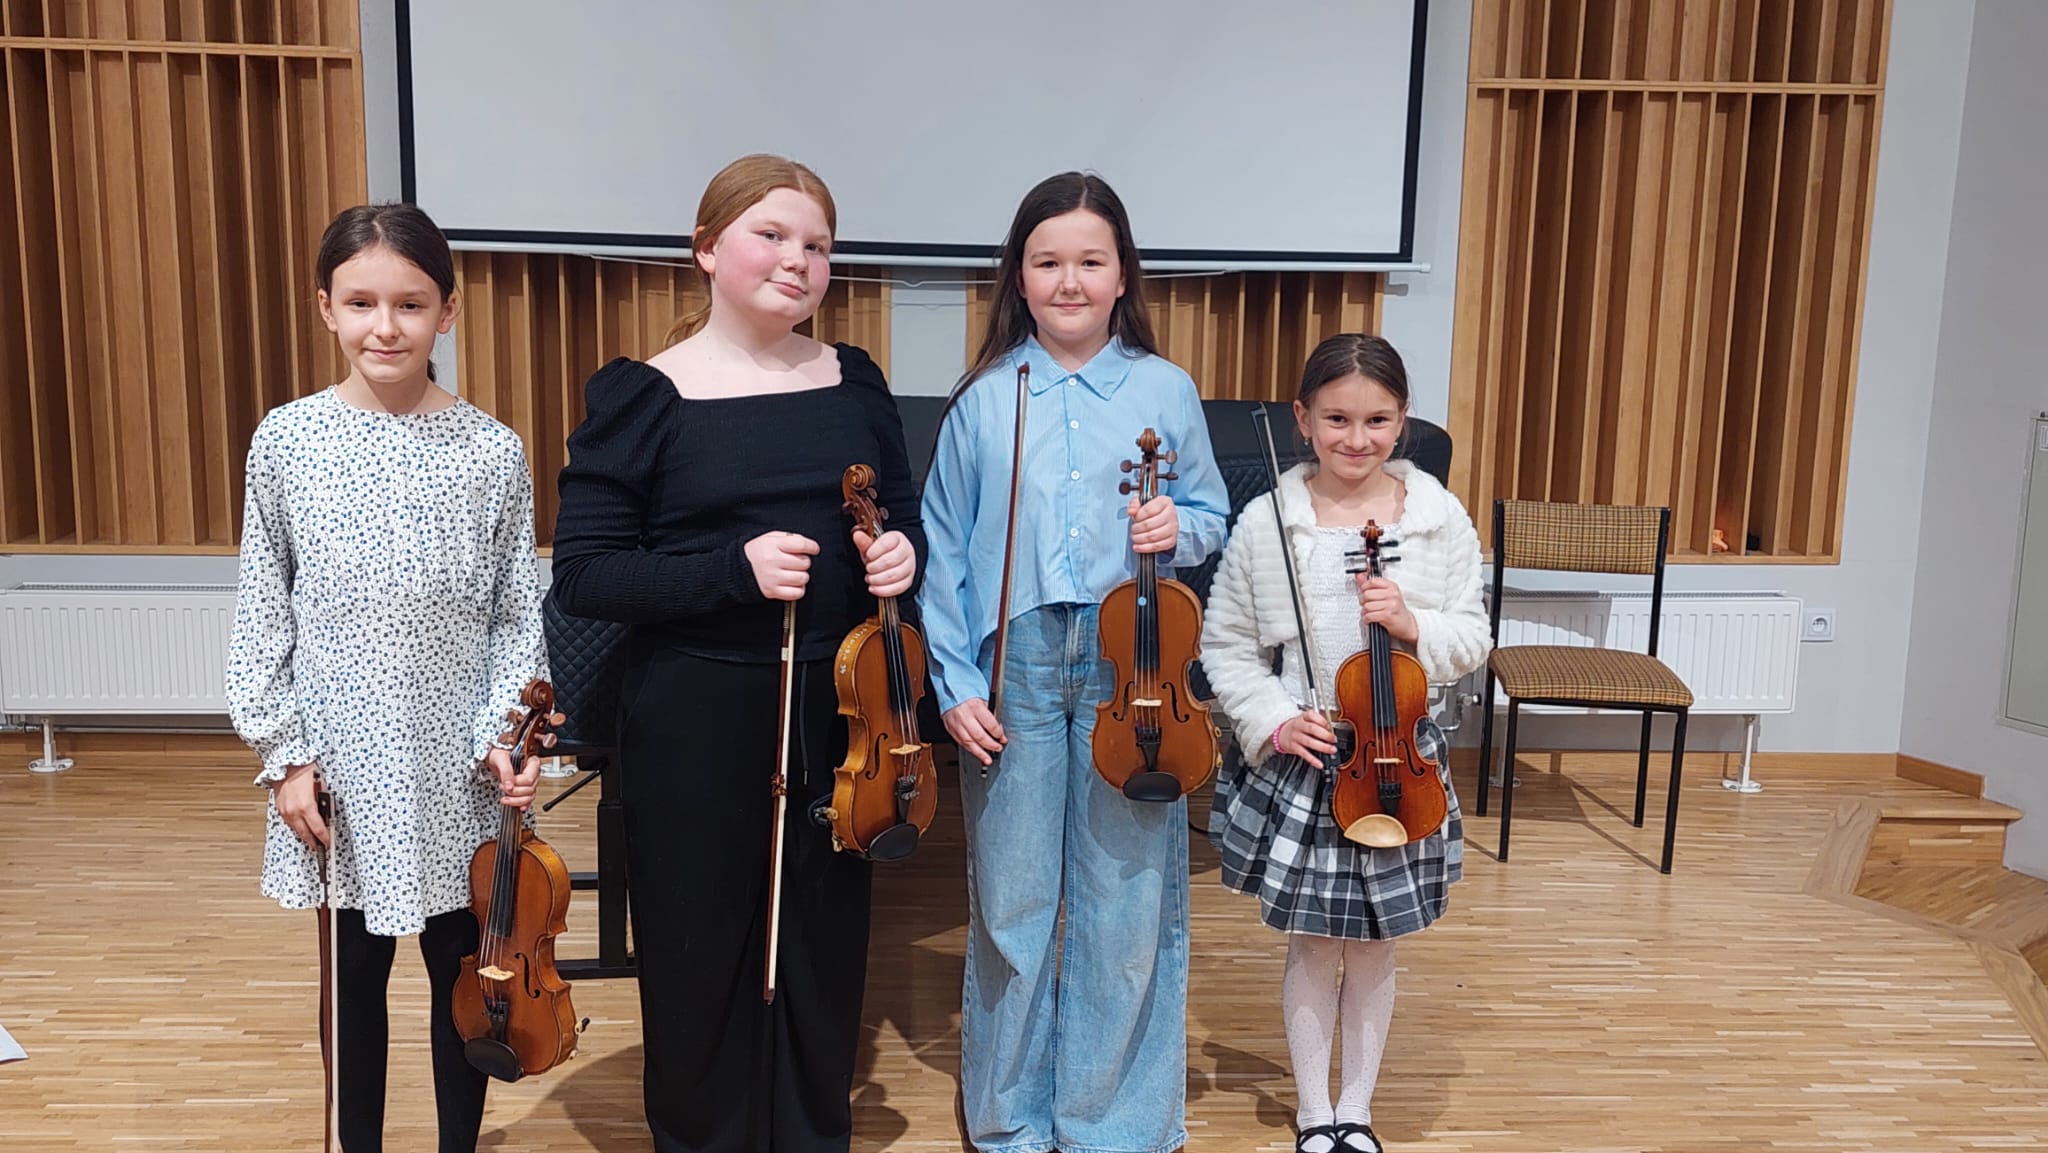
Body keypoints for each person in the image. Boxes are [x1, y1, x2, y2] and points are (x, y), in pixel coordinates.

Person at [549, 153, 922, 1153]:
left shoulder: (854, 380)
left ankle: (808, 1133)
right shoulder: (643, 395)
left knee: (822, 940)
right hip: (695, 713)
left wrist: (901, 554)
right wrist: (731, 569)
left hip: (839, 713)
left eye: (818, 245)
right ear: (708, 249)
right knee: (698, 944)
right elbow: (586, 575)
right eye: (772, 235)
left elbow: (903, 516)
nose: (798, 260)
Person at [917, 171, 1231, 1153]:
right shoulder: (984, 399)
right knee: (1012, 904)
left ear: (1121, 274)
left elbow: (1210, 516)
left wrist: (1176, 526)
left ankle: (1112, 1123)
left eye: (1090, 261)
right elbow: (943, 550)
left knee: (1126, 901)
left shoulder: (1163, 389)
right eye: (1047, 261)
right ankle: (1010, 1118)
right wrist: (954, 685)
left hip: (1127, 665)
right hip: (1011, 663)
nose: (1068, 281)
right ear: (1018, 275)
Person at [225, 202, 548, 1153]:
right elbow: (263, 608)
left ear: (448, 311)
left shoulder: (492, 449)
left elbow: (514, 613)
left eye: (410, 304)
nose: (386, 327)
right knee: (353, 989)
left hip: (458, 770)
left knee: (469, 986)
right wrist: (286, 757)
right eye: (361, 302)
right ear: (325, 308)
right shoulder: (287, 440)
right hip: (340, 772)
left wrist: (506, 734)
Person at [1199, 334, 1491, 1153]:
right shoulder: (1269, 522)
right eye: (1336, 419)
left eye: (1377, 420)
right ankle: (1312, 1110)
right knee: (1315, 939)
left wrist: (1412, 622)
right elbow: (1227, 647)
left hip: (1399, 758)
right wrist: (1274, 717)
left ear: (1403, 420)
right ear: (1302, 419)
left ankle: (1356, 1108)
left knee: (1374, 941)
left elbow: (1472, 636)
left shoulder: (1436, 517)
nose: (1356, 438)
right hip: (1311, 752)